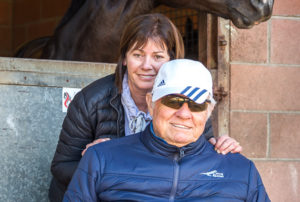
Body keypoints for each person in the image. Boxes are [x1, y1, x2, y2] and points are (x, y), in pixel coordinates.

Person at [49, 13, 242, 201]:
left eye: (158, 57)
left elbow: (200, 164)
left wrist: (221, 149)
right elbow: (61, 166)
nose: (146, 65)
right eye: (138, 55)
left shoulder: (190, 106)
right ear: (124, 58)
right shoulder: (89, 101)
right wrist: (91, 162)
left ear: (171, 61)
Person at [63, 59, 269, 201]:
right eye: (174, 101)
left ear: (209, 111)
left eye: (196, 105)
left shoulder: (241, 170)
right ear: (151, 103)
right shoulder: (102, 158)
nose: (184, 113)